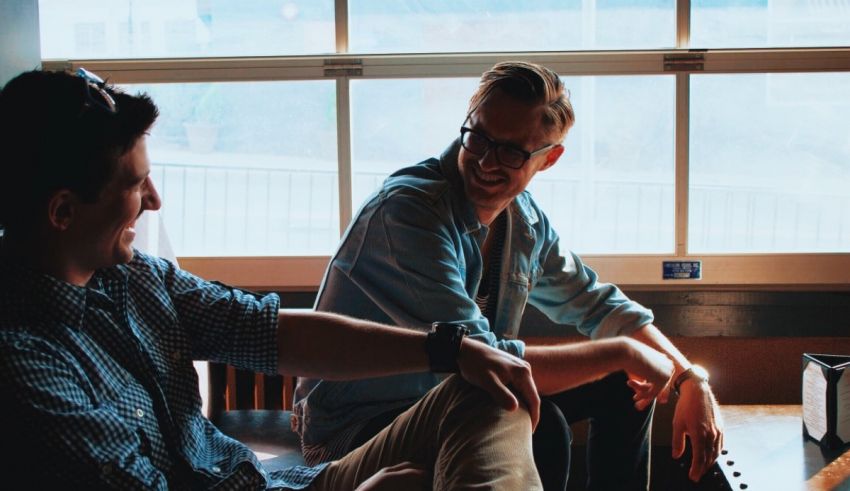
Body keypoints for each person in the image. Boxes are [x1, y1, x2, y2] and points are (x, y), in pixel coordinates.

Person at [0, 68, 545, 490]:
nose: (154, 200)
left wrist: (451, 349)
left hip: (285, 484)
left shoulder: (135, 277)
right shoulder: (27, 368)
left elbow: (274, 334)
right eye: (136, 184)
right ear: (63, 211)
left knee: (485, 387)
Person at [297, 61, 723, 490]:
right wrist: (622, 351)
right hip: (356, 427)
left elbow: (598, 304)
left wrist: (690, 377)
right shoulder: (408, 214)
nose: (486, 161)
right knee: (537, 421)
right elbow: (483, 359)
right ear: (468, 120)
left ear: (549, 158)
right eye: (478, 137)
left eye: (511, 151)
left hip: (461, 397)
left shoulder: (524, 223)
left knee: (623, 383)